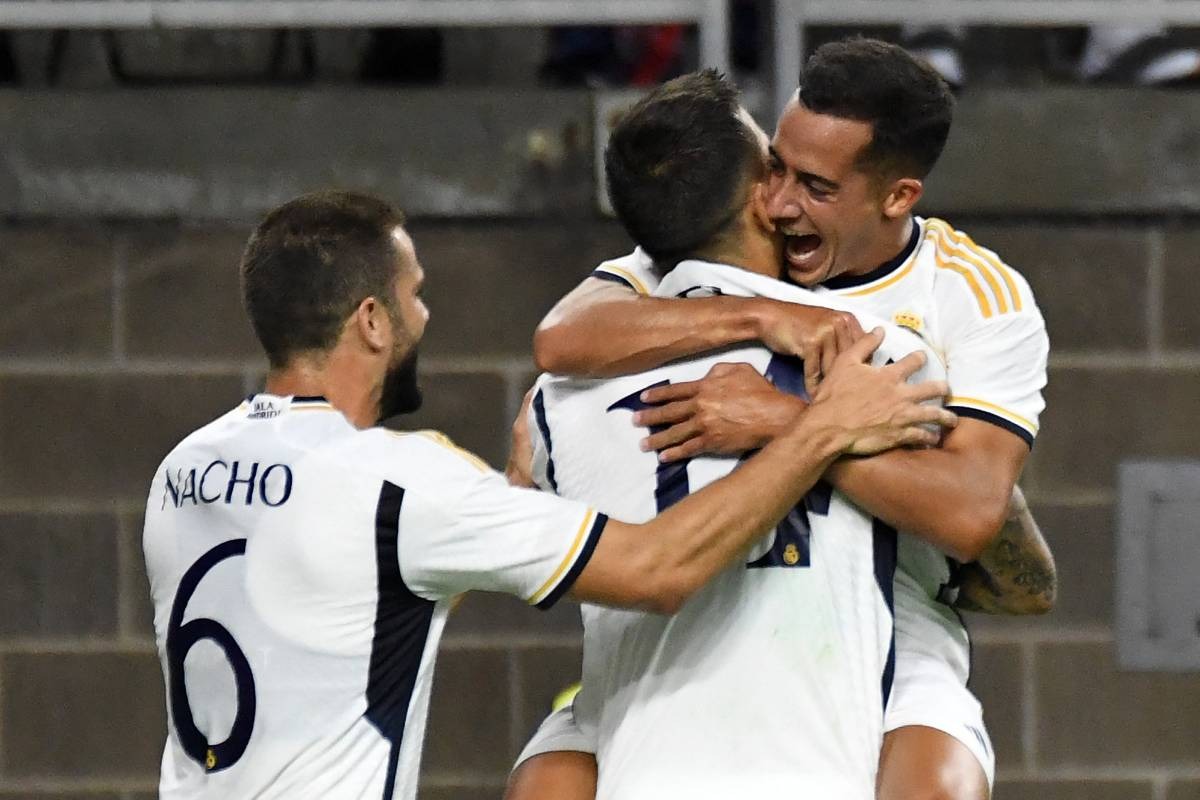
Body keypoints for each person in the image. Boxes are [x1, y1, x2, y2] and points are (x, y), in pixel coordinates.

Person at [140, 190, 951, 800]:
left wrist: (517, 492)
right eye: (415, 294)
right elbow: (656, 572)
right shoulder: (401, 483)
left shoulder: (183, 469)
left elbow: (336, 595)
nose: (426, 314)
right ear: (372, 323)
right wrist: (819, 430)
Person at [511, 39, 1054, 800]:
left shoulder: (970, 297)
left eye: (817, 187)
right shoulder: (677, 260)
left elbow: (970, 512)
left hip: (884, 622)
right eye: (777, 168)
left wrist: (784, 423)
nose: (780, 203)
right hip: (682, 624)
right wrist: (765, 316)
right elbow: (560, 338)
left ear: (898, 196)